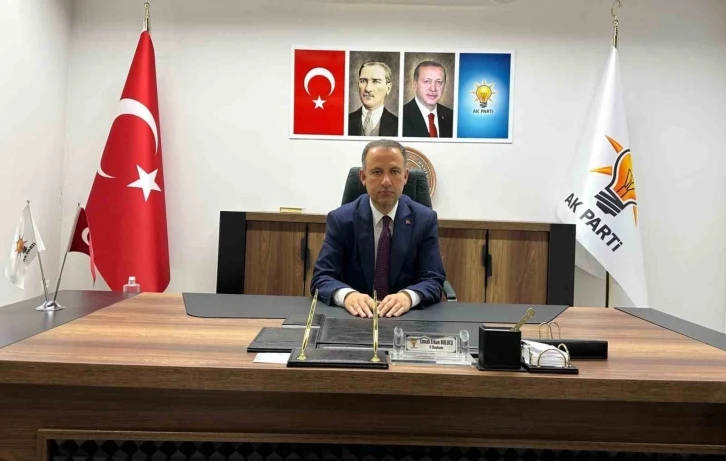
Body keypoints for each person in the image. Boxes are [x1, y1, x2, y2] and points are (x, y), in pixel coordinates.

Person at [310, 139, 446, 318]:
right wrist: (347, 296)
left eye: (394, 171)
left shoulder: (425, 220)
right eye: (377, 172)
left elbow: (433, 278)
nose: (386, 181)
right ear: (363, 177)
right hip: (355, 318)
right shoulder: (340, 220)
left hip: (406, 318)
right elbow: (322, 277)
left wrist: (408, 296)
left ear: (405, 176)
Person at [402, 61, 453, 138]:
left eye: (438, 82)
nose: (433, 89)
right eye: (427, 81)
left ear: (444, 85)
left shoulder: (452, 117)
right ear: (415, 84)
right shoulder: (401, 116)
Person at [348, 62, 399, 137]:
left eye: (375, 81)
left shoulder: (398, 124)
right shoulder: (345, 120)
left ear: (388, 88)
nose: (367, 89)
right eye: (363, 81)